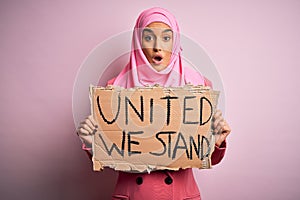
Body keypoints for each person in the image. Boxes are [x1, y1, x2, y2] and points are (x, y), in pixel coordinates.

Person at [77, 7, 231, 200]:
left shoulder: (198, 86)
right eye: (148, 38)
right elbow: (111, 156)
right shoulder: (114, 87)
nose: (158, 47)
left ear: (175, 43)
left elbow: (207, 157)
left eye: (166, 38)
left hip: (180, 194)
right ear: (138, 42)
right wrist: (92, 142)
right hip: (133, 194)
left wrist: (216, 141)